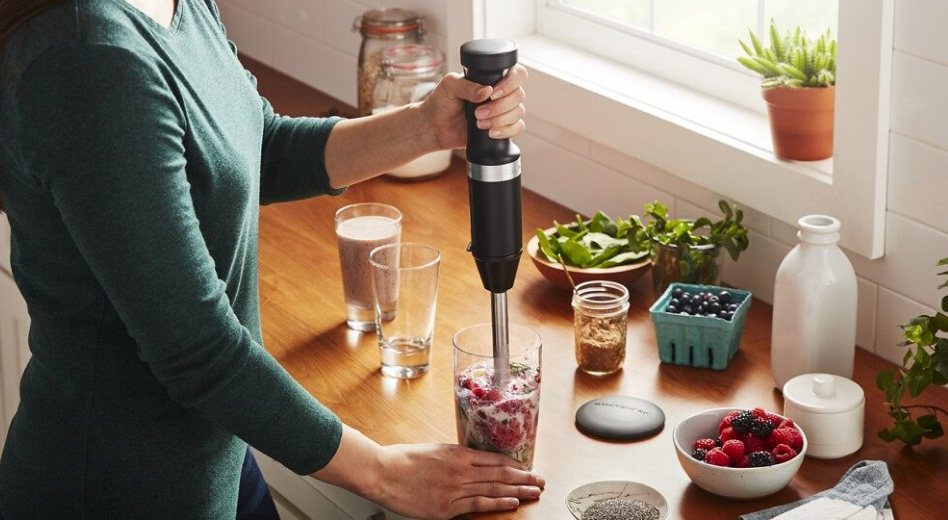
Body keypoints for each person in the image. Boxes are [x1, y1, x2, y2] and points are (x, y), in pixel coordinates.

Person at [0, 0, 542, 518]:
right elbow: (198, 350)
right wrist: (384, 473)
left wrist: (427, 126)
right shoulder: (88, 60)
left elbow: (260, 146)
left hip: (225, 458)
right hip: (125, 487)